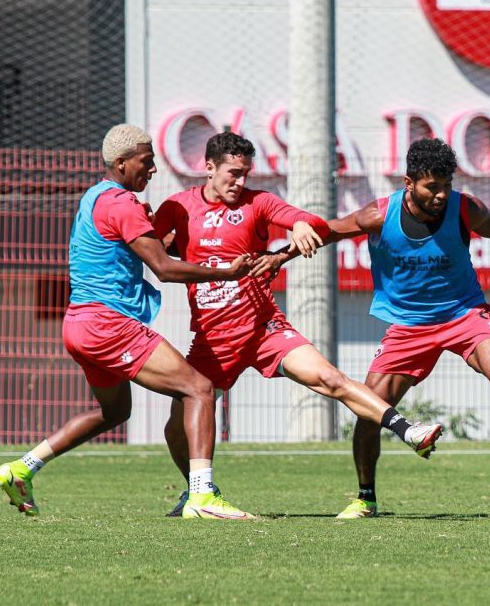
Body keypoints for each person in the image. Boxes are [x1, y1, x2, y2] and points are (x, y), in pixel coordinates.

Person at [152, 132, 445, 517]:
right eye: (233, 173)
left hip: (263, 328)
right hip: (212, 339)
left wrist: (304, 226)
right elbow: (151, 247)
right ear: (209, 168)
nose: (240, 181)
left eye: (245, 173)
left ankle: (409, 430)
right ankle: (198, 491)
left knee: (330, 379)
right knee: (175, 429)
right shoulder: (177, 207)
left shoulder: (257, 202)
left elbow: (306, 219)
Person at [0, 124, 260, 520]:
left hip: (79, 324)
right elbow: (164, 268)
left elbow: (136, 248)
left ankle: (22, 468)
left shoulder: (95, 196)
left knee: (114, 413)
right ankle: (202, 496)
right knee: (200, 390)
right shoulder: (123, 204)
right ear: (121, 162)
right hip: (109, 324)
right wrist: (226, 273)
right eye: (146, 162)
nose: (152, 169)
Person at [310, 137, 490, 519]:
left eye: (447, 185)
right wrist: (280, 255)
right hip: (409, 325)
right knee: (370, 410)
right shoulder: (379, 214)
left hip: (465, 313)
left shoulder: (464, 208)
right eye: (432, 187)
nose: (441, 195)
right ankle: (365, 498)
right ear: (409, 183)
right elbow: (327, 232)